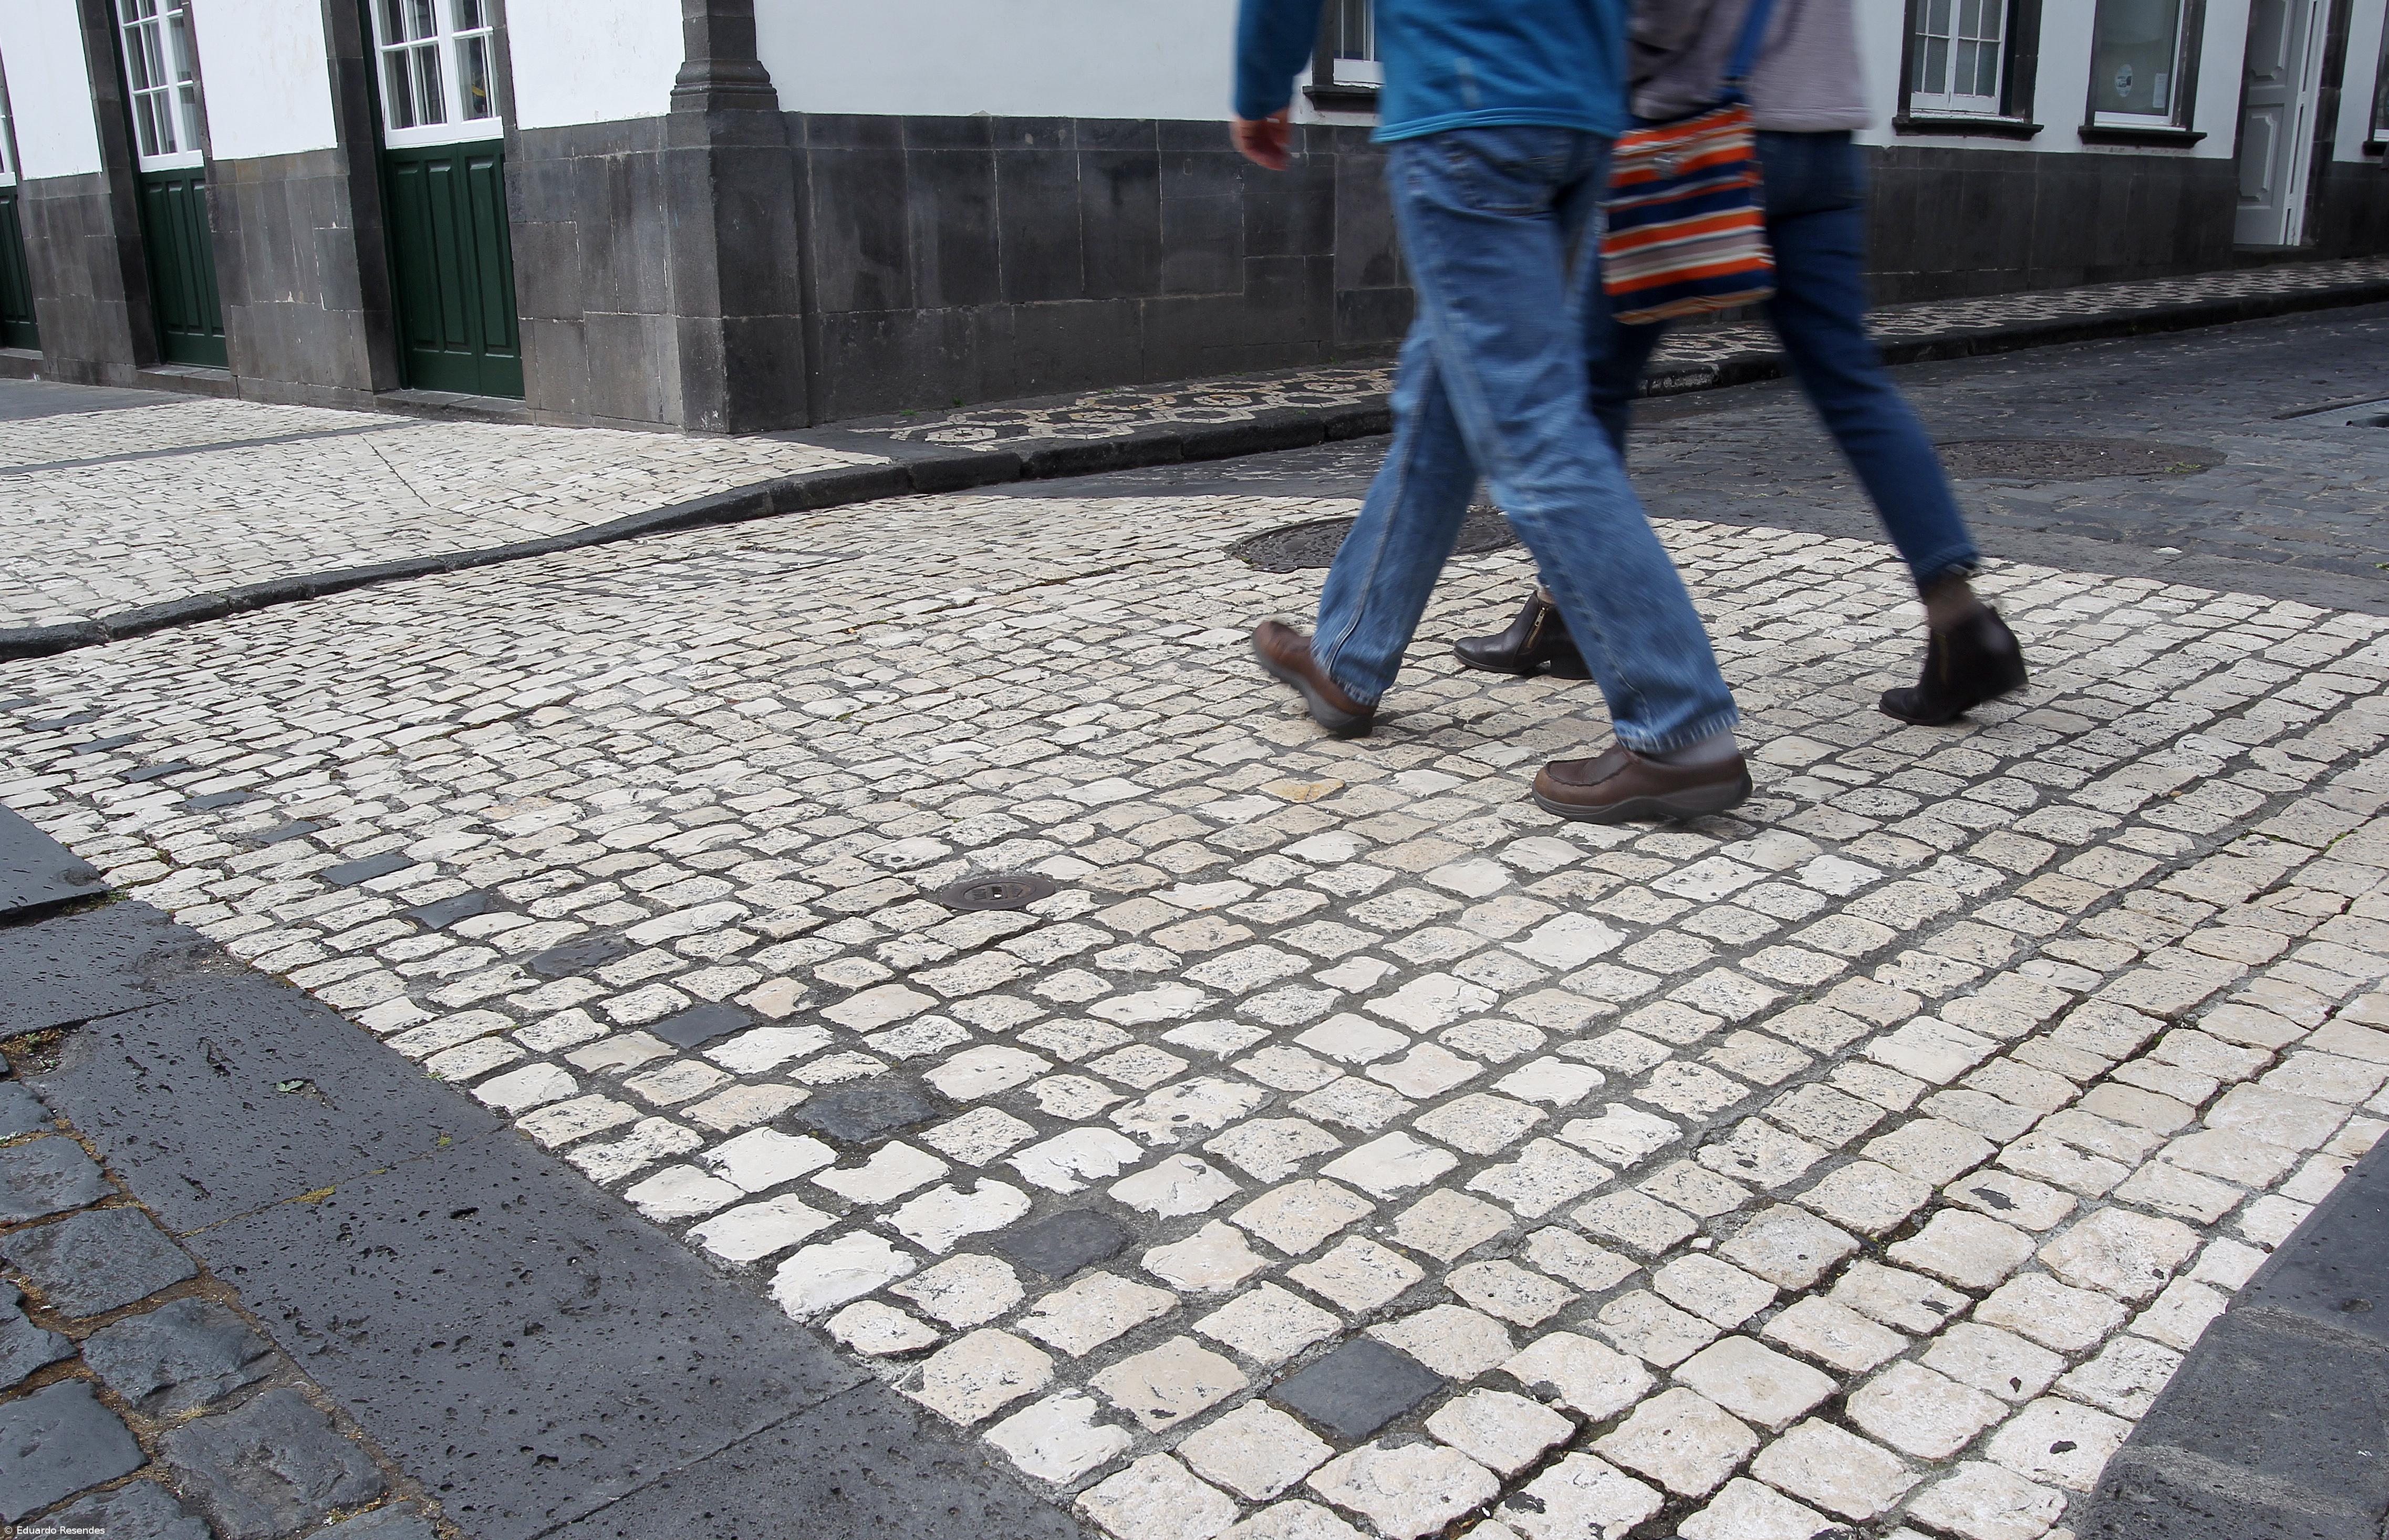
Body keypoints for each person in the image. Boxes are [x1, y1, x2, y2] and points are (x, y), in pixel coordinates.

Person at [1234, 0, 1753, 824]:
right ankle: (1348, 656)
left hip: (1469, 98)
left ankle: (1680, 726)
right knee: (1446, 394)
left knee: (1530, 422)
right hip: (1579, 106)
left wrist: (1260, 84)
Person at [1454, 0, 2028, 726]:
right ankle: (1960, 622)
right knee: (1852, 385)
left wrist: (1597, 68)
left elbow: (1662, 16)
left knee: (1590, 390)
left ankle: (1567, 609)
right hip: (1822, 138)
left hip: (1694, 141)